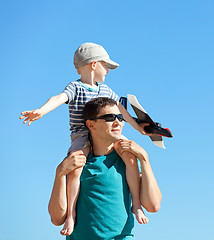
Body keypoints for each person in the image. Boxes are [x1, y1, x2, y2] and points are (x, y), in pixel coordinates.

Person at [20, 43, 149, 235]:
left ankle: (136, 205)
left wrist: (139, 128)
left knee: (130, 157)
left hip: (108, 132)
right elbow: (58, 98)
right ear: (94, 64)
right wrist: (41, 111)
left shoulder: (106, 90)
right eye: (106, 66)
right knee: (76, 169)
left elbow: (121, 111)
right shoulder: (75, 87)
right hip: (81, 135)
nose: (107, 71)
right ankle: (71, 216)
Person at [48, 97, 162, 239]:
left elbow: (153, 206)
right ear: (91, 125)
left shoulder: (127, 161)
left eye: (120, 117)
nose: (117, 122)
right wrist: (59, 173)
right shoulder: (76, 161)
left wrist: (144, 158)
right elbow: (56, 219)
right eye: (109, 117)